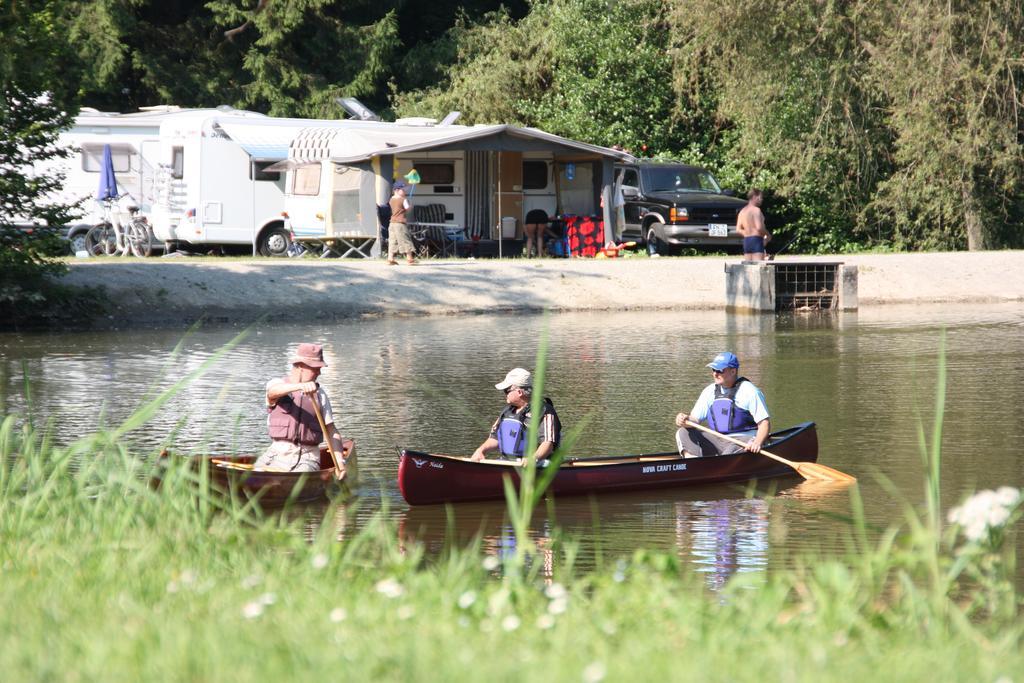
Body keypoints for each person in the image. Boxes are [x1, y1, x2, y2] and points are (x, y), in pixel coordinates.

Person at [255, 342, 345, 475]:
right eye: (316, 368)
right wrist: (299, 386)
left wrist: (340, 464)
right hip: (275, 454)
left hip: (307, 457)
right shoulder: (277, 384)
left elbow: (331, 431)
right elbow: (272, 393)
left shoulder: (320, 395)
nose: (319, 372)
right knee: (252, 477)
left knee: (296, 481)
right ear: (301, 366)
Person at [673, 352, 771, 458]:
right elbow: (694, 420)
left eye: (720, 370)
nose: (715, 374)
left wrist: (757, 443)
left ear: (733, 371)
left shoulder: (750, 391)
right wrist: (685, 420)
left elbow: (764, 424)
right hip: (718, 440)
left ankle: (718, 465)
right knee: (683, 432)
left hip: (743, 441)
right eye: (713, 370)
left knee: (730, 451)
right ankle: (693, 464)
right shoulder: (709, 391)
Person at [470, 368, 561, 465]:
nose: (505, 394)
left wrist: (533, 458)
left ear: (519, 392)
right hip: (508, 463)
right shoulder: (507, 412)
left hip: (539, 464)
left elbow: (548, 443)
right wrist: (481, 450)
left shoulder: (545, 411)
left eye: (506, 391)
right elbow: (495, 438)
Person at [387, 180, 417, 265]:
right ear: (396, 190)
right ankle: (410, 258)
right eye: (403, 190)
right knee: (405, 240)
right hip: (400, 223)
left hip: (392, 223)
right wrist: (410, 206)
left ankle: (390, 258)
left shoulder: (391, 199)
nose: (405, 191)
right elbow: (407, 208)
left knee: (393, 241)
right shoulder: (403, 200)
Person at [736, 189, 771, 261]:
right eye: (760, 198)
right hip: (756, 240)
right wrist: (768, 235)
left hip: (746, 241)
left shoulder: (742, 211)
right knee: (758, 267)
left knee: (748, 268)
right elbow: (759, 228)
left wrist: (747, 233)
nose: (762, 200)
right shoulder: (756, 210)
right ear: (755, 197)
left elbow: (738, 229)